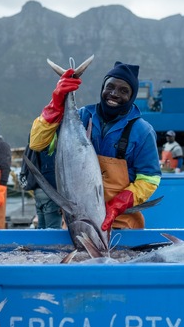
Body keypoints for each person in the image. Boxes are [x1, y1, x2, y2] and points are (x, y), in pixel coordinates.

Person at [29, 60, 161, 230]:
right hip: (77, 220)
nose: (114, 94)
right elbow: (37, 142)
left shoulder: (142, 131)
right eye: (110, 87)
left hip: (122, 223)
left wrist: (118, 204)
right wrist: (56, 104)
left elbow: (150, 179)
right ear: (102, 89)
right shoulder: (82, 117)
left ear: (132, 96)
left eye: (123, 91)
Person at [20, 143, 62, 229]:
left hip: (38, 191)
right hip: (51, 192)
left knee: (42, 230)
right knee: (53, 232)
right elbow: (50, 170)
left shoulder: (35, 140)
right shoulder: (51, 142)